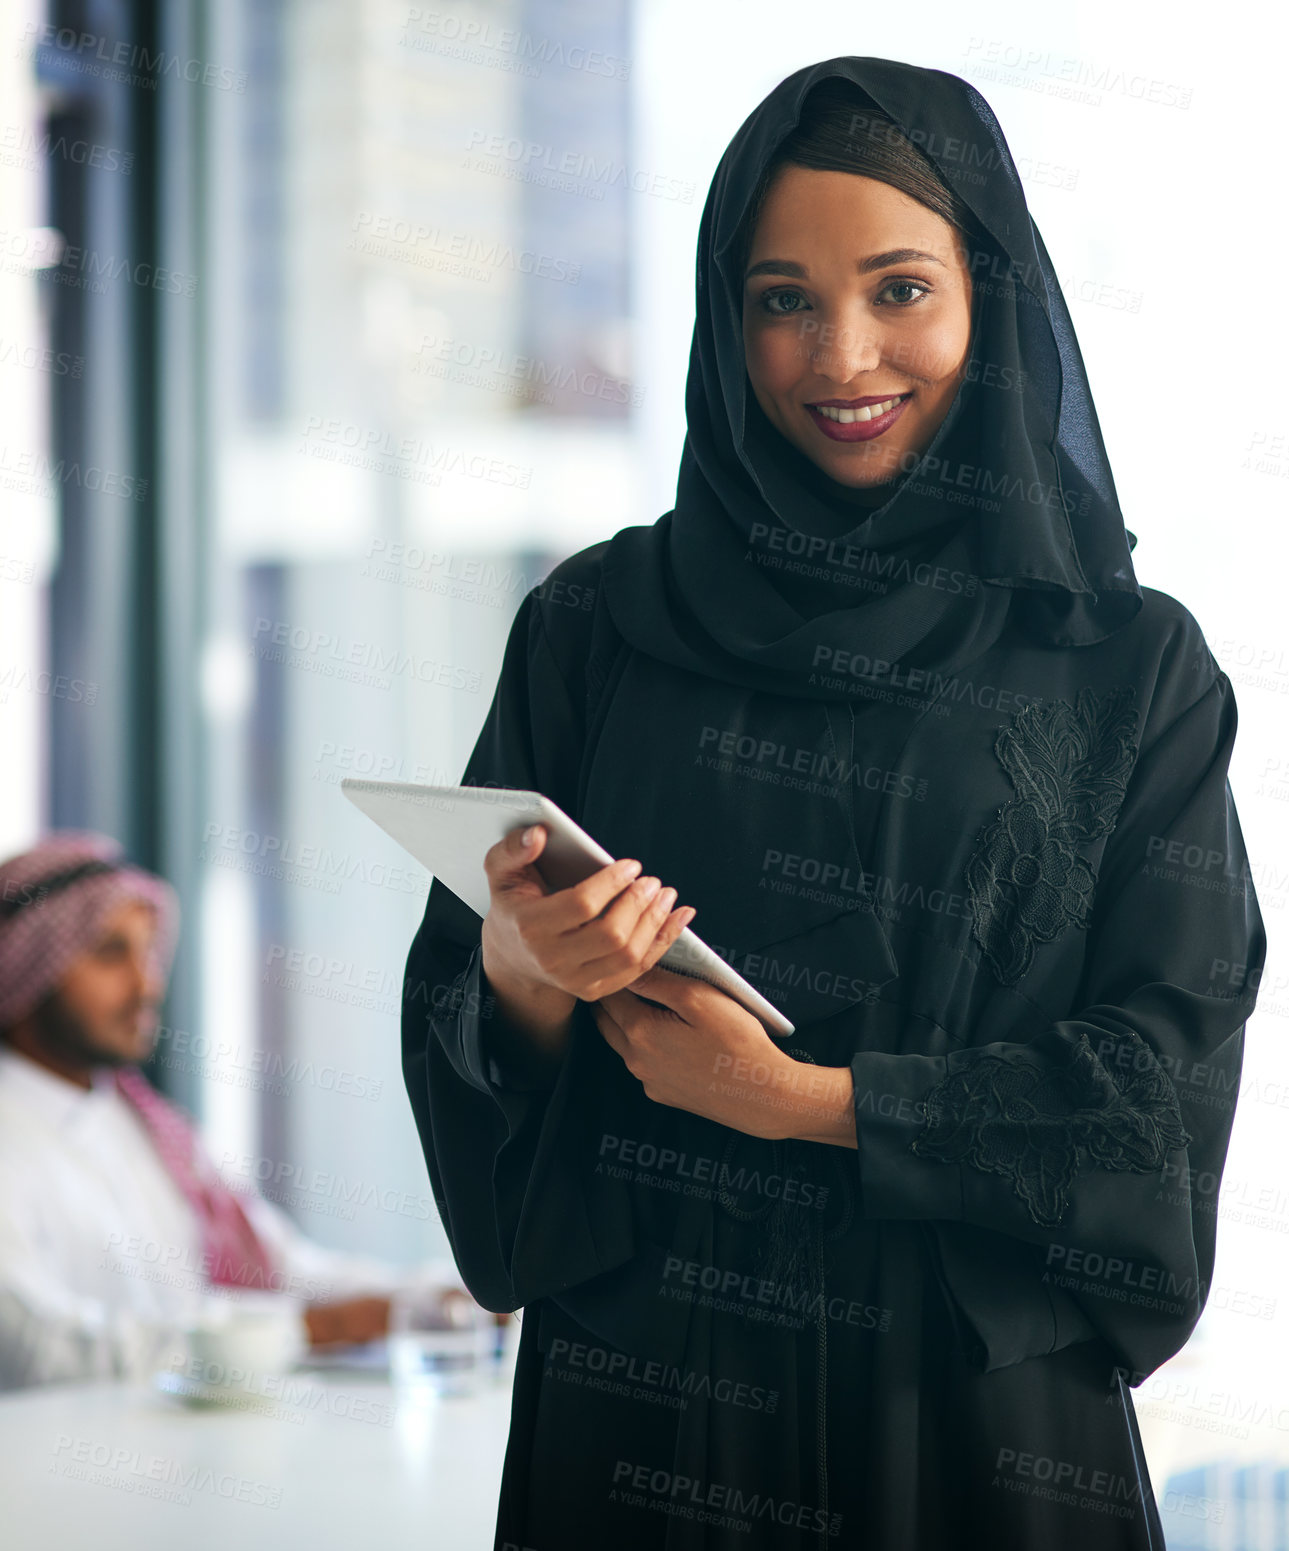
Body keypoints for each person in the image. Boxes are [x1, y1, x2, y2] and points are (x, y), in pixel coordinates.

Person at [400, 57, 1266, 1550]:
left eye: (899, 289)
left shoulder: (1123, 664)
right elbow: (460, 995)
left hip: (973, 1433)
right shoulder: (595, 625)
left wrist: (813, 1105)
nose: (838, 353)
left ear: (989, 296)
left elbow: (1155, 1086)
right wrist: (531, 972)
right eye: (780, 297)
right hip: (646, 1406)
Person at [0, 831, 470, 1391]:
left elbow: (276, 1269)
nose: (147, 983)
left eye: (148, 953)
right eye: (110, 955)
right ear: (23, 967)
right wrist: (304, 1332)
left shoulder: (143, 1123)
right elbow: (33, 1347)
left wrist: (423, 1296)